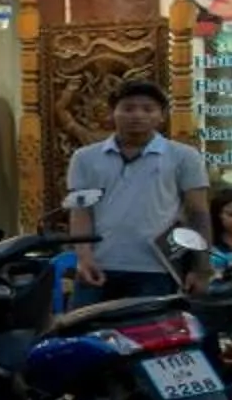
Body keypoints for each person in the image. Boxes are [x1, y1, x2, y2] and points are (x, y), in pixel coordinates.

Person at [64, 79, 210, 308]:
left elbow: (198, 214)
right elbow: (81, 211)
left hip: (158, 269)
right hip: (100, 266)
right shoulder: (84, 157)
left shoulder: (184, 156)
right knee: (87, 338)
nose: (137, 115)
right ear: (113, 113)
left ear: (161, 116)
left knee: (149, 340)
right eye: (128, 108)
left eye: (148, 109)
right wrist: (84, 257)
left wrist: (200, 268)